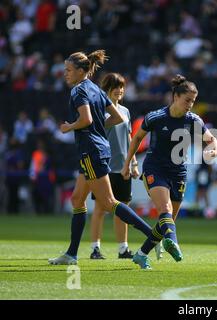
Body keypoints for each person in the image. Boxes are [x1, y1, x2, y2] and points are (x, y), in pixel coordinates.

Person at [48, 50, 155, 269]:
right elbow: (116, 117)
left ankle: (154, 235)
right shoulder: (95, 88)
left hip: (90, 151)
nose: (65, 74)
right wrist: (97, 128)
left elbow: (85, 119)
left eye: (68, 70)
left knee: (108, 203)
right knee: (77, 199)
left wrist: (70, 126)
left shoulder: (78, 91)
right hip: (99, 149)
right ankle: (71, 254)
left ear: (80, 71)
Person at [121, 74, 217, 266]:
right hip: (154, 169)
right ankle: (173, 243)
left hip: (178, 173)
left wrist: (214, 148)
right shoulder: (155, 117)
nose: (190, 104)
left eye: (193, 101)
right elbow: (136, 139)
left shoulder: (193, 120)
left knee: (167, 222)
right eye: (187, 100)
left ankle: (141, 254)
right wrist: (128, 164)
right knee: (164, 211)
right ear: (175, 97)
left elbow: (211, 139)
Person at [89, 73, 163, 260]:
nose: (120, 90)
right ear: (107, 88)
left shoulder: (126, 111)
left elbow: (130, 139)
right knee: (100, 208)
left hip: (123, 168)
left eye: (122, 87)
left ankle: (123, 249)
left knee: (123, 209)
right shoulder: (100, 111)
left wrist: (134, 163)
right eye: (116, 86)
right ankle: (95, 249)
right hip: (104, 167)